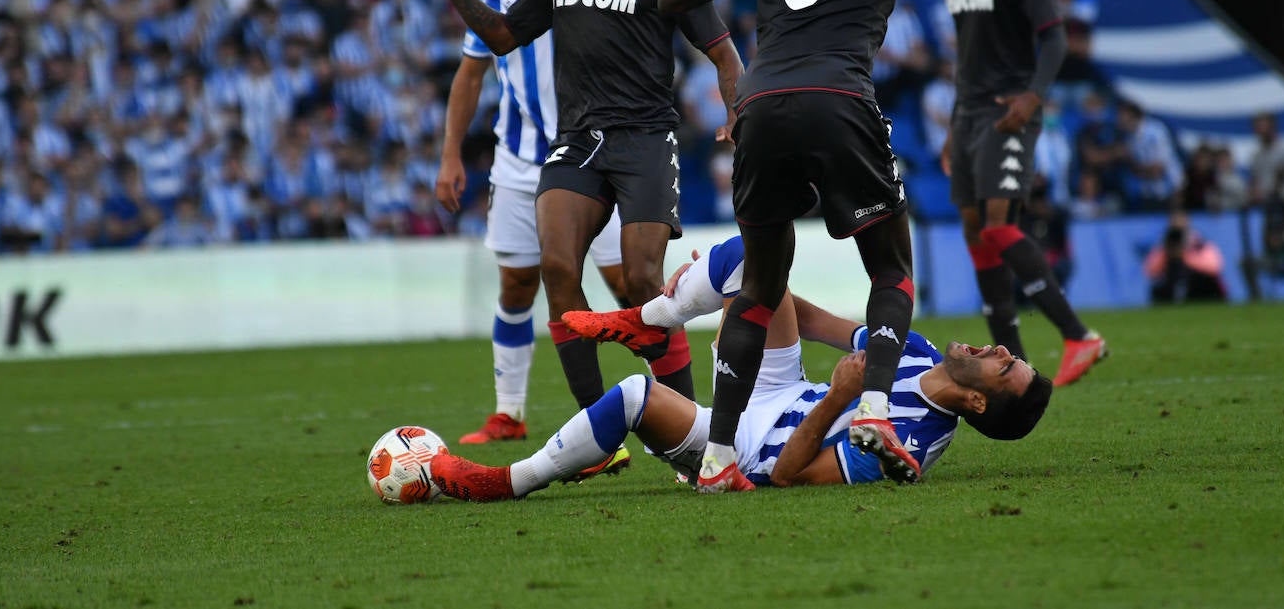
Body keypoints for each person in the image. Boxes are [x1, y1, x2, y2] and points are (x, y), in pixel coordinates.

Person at [654, 0, 1010, 490]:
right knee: (890, 273)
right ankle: (875, 407)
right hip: (838, 98)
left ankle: (719, 457)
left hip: (758, 104)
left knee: (760, 286)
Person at [391, 0, 757, 472]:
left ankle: (691, 440)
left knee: (643, 282)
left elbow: (723, 53)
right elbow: (503, 36)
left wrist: (737, 112)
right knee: (557, 269)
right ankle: (598, 438)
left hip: (645, 139)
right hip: (577, 142)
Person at [432, 234, 1053, 501]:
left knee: (632, 395)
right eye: (1010, 353)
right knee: (756, 259)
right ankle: (655, 316)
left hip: (754, 448)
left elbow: (789, 478)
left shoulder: (909, 442)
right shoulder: (910, 347)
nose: (997, 350)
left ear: (977, 405)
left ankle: (504, 482)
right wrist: (744, 294)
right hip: (781, 386)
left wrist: (839, 399)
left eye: (1004, 368)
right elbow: (811, 322)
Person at [435, 0, 629, 446]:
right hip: (519, 164)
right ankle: (510, 413)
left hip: (598, 157)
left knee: (631, 288)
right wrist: (450, 154)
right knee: (517, 285)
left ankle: (680, 415)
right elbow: (469, 77)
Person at [940, 0, 1106, 387]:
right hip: (967, 112)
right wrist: (952, 126)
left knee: (996, 226)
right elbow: (966, 55)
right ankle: (1013, 363)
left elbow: (1054, 37)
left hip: (1008, 107)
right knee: (975, 232)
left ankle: (1079, 336)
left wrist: (1033, 96)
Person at [1143, 211, 1227, 303]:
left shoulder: (1199, 242)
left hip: (1201, 285)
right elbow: (1150, 271)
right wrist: (1166, 253)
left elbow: (1215, 266)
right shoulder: (1165, 246)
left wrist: (1185, 256)